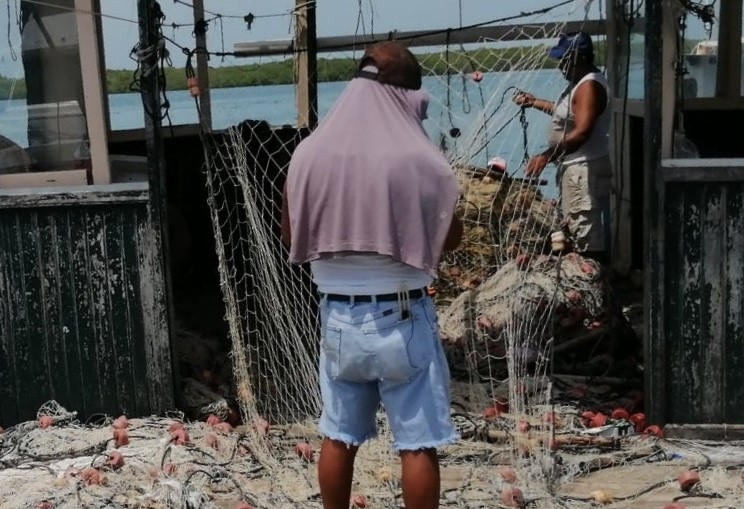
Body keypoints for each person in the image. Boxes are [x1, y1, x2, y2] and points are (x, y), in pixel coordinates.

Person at [281, 41, 463, 509]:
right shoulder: (416, 157)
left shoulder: (308, 154)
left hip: (339, 318)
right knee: (417, 443)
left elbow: (290, 233)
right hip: (402, 314)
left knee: (338, 435)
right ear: (401, 96)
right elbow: (451, 235)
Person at [513, 31, 613, 264]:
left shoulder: (588, 87)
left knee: (587, 238)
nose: (561, 67)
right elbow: (566, 113)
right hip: (576, 170)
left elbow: (582, 131)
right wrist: (534, 102)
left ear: (579, 58)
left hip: (582, 172)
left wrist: (546, 156)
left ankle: (595, 284)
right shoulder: (580, 83)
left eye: (564, 60)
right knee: (577, 230)